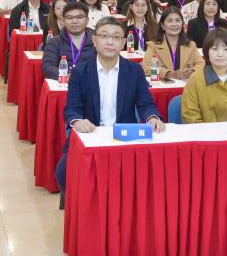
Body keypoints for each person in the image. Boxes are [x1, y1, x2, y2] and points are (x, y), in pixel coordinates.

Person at [57, 17, 165, 190]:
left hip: (124, 136)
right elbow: (72, 108)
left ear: (123, 42)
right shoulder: (80, 72)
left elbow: (146, 104)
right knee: (63, 172)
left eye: (116, 37)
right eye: (104, 36)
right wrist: (77, 121)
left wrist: (152, 117)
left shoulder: (134, 70)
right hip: (92, 134)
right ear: (94, 40)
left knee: (151, 173)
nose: (110, 41)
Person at [182, 29, 227, 123]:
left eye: (226, 49)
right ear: (207, 51)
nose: (220, 54)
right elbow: (190, 116)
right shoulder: (195, 79)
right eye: (215, 49)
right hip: (204, 132)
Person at [143, 9, 204, 81]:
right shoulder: (153, 45)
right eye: (169, 21)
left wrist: (193, 71)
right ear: (162, 25)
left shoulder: (191, 45)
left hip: (186, 86)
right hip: (164, 86)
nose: (174, 24)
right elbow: (145, 68)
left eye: (178, 20)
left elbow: (202, 65)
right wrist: (168, 73)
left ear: (182, 24)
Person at [41, 2, 95, 79]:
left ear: (87, 20)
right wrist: (66, 75)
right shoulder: (55, 42)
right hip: (65, 83)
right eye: (69, 18)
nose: (74, 21)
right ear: (63, 20)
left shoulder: (97, 40)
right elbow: (47, 67)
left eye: (79, 17)